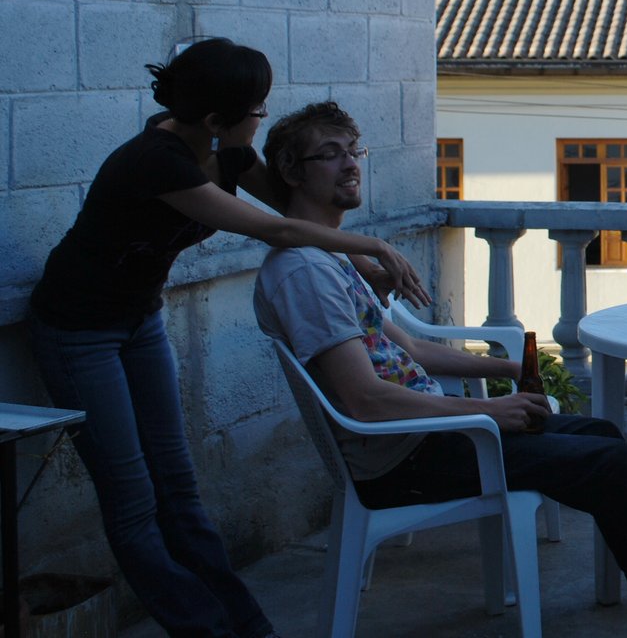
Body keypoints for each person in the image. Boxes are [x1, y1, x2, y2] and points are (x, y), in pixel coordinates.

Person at [252, 101, 627, 637]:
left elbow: (411, 352)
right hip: (408, 456)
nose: (351, 164)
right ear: (291, 173)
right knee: (605, 461)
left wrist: (512, 368)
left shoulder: (328, 257)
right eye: (330, 155)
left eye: (353, 151)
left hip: (432, 433)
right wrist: (488, 409)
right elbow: (364, 400)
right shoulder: (306, 274)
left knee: (601, 435)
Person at [28, 38, 428, 638]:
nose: (262, 119)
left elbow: (302, 217)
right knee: (135, 501)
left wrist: (362, 270)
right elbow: (280, 228)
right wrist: (373, 245)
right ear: (216, 121)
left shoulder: (231, 156)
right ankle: (206, 630)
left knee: (180, 489)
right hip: (78, 332)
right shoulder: (156, 161)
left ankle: (248, 627)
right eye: (256, 111)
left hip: (139, 321)